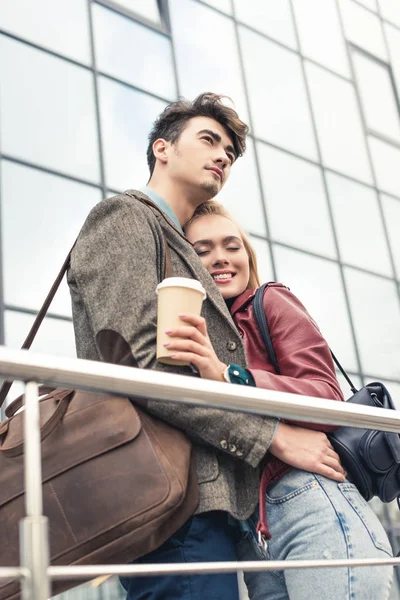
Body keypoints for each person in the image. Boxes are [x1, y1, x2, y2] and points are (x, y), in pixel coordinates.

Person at [68, 92, 345, 600]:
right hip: (171, 503)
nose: (223, 155)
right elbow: (143, 367)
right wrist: (274, 437)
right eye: (209, 140)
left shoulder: (178, 245)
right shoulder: (124, 218)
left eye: (230, 153)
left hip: (205, 503)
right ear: (162, 149)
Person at [181, 200, 393, 600]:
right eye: (202, 250)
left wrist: (232, 376)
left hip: (310, 501)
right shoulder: (197, 329)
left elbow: (326, 395)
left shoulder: (269, 301)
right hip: (253, 531)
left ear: (248, 256)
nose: (220, 259)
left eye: (231, 246)